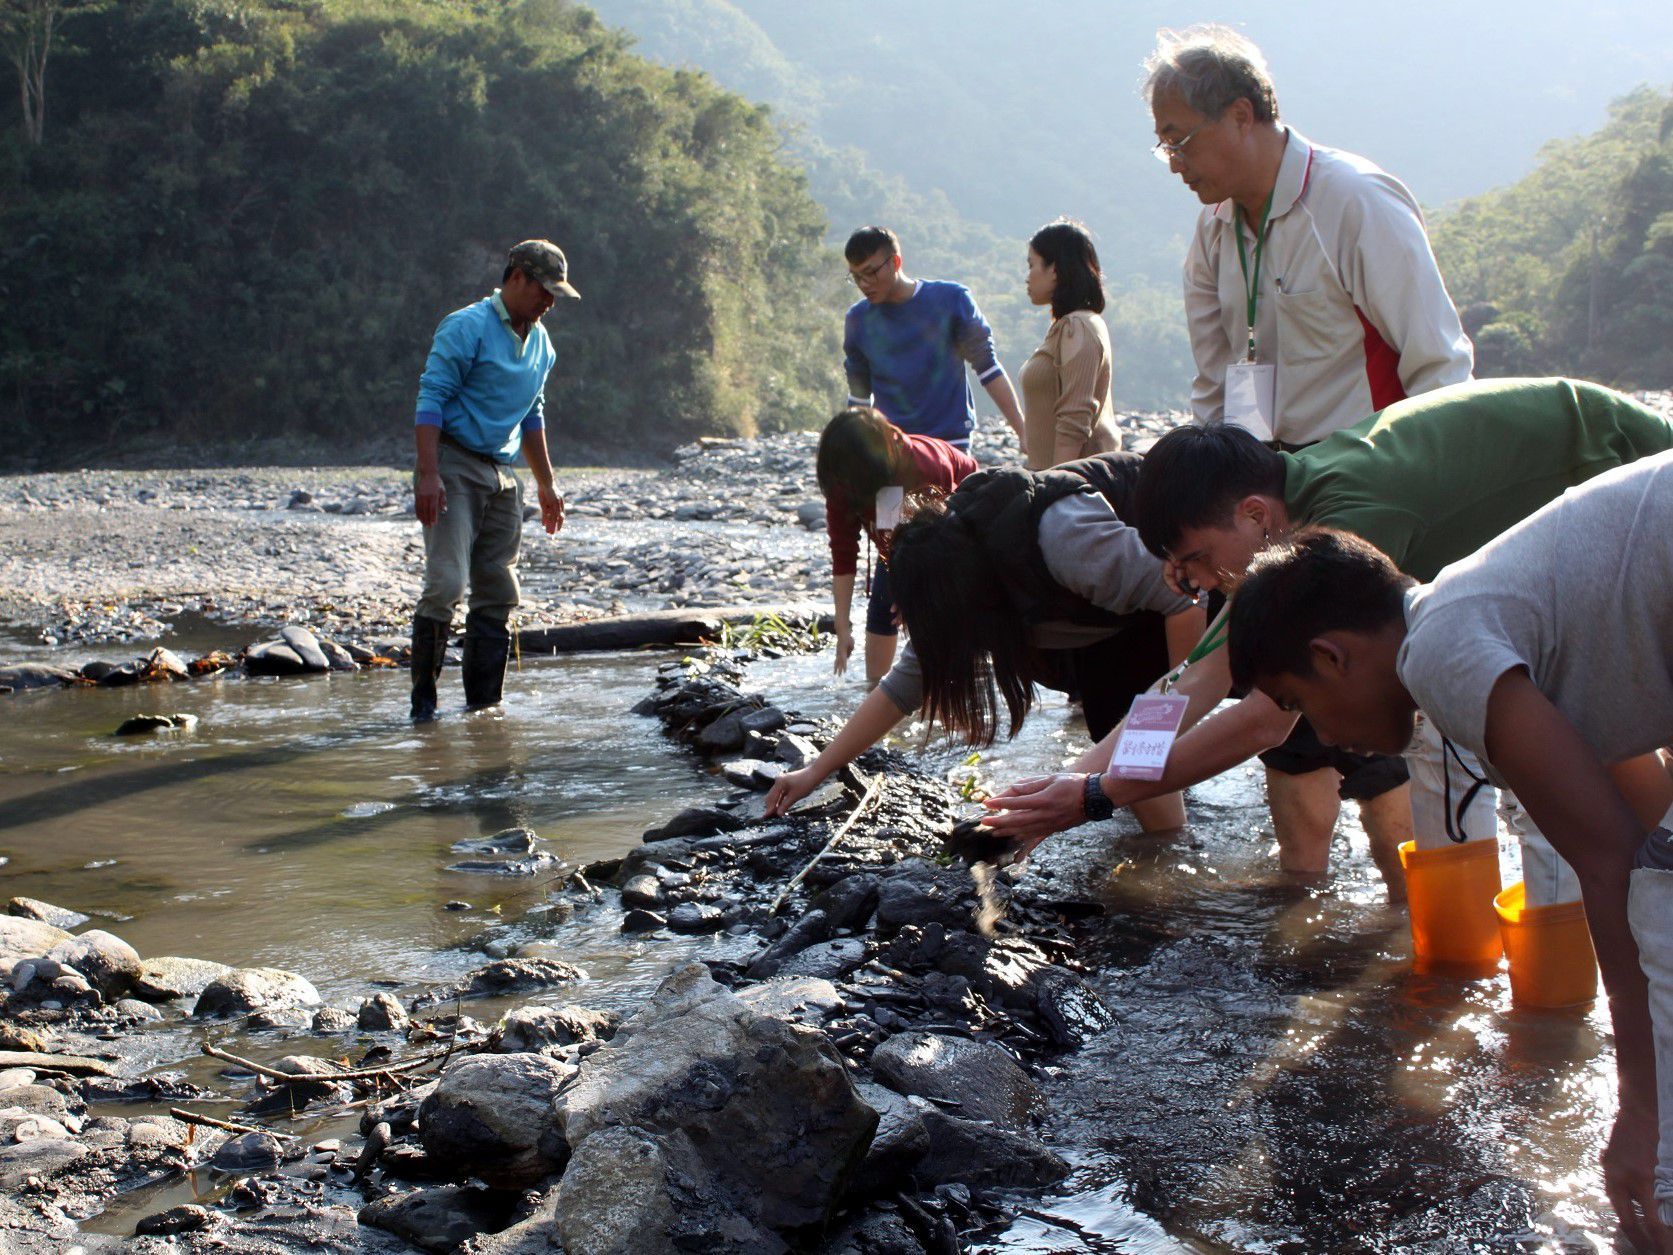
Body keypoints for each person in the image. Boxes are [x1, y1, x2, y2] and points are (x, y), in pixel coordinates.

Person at [981, 379, 1673, 912]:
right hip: (1591, 532)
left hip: (1630, 477)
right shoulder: (1288, 531)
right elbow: (1185, 684)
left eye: (1195, 557)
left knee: (1594, 759)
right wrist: (1070, 785)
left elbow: (1264, 716)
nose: (1197, 583)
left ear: (1251, 514)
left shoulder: (1349, 518)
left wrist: (1096, 798)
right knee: (1618, 763)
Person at [1222, 480, 1673, 1252]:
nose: (1326, 738)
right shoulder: (1486, 608)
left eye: (1301, 700)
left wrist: (1639, 1113)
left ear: (1332, 654)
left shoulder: (1438, 649)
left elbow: (1611, 866)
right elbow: (1649, 827)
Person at [765, 452, 1207, 831]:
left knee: (1148, 735)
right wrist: (815, 770)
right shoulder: (950, 578)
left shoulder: (1063, 539)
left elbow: (1184, 597)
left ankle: (1173, 860)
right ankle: (1163, 841)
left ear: (968, 593)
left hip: (1190, 572)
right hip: (1107, 618)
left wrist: (1174, 721)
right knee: (1119, 734)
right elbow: (899, 690)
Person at [1146, 25, 1471, 448]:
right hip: (1264, 480)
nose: (1175, 164)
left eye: (1179, 141)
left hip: (1367, 469)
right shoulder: (1212, 229)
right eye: (1165, 147)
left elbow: (1439, 364)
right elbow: (1213, 387)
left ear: (1241, 116)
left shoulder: (1356, 202)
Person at [409, 240, 574, 721]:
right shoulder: (467, 326)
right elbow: (431, 397)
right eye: (544, 290)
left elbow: (532, 415)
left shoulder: (542, 344)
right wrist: (428, 474)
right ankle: (423, 709)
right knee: (446, 583)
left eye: (556, 294)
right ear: (516, 278)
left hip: (501, 473)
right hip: (453, 463)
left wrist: (547, 484)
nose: (550, 302)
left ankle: (484, 710)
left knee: (499, 591)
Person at [817, 408, 977, 686]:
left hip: (960, 516)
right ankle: (875, 688)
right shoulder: (842, 482)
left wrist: (910, 593)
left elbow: (944, 545)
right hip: (896, 508)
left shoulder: (926, 465)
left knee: (937, 610)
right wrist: (842, 627)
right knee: (883, 603)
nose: (842, 489)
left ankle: (951, 688)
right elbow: (843, 554)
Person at [843, 226, 1027, 454]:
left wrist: (1022, 429)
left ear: (895, 262)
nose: (864, 284)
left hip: (949, 445)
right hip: (892, 450)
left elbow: (987, 368)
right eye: (856, 276)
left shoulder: (951, 301)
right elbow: (859, 395)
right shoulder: (858, 320)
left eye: (871, 273)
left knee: (949, 492)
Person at [1019, 220, 1121, 471]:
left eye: (1032, 265)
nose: (1027, 277)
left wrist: (1056, 488)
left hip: (1071, 486)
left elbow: (1074, 423)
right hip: (1050, 479)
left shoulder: (1079, 328)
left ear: (1054, 269)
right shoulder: (1068, 327)